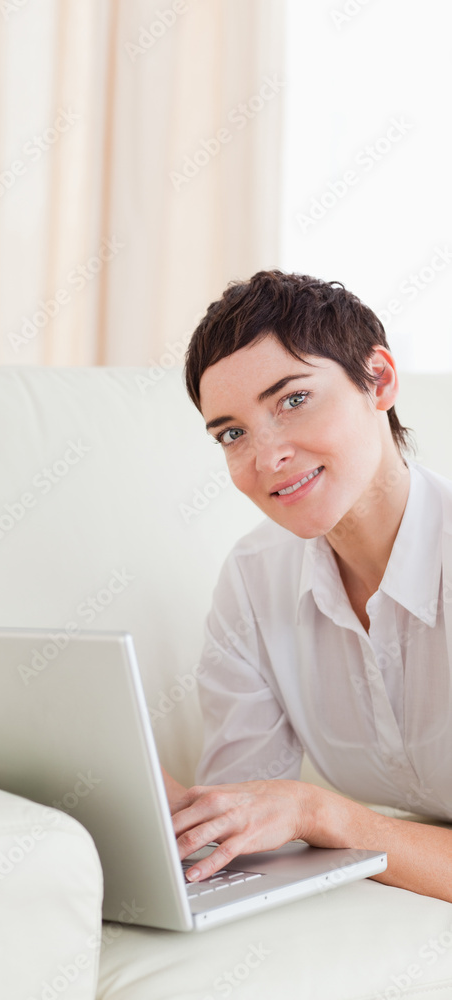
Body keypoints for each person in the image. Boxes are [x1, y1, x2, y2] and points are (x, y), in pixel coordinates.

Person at [161, 269, 452, 902]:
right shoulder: (253, 580)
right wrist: (175, 811)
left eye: (293, 399)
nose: (266, 458)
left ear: (379, 380)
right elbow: (244, 829)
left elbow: (305, 815)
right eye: (232, 433)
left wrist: (326, 815)